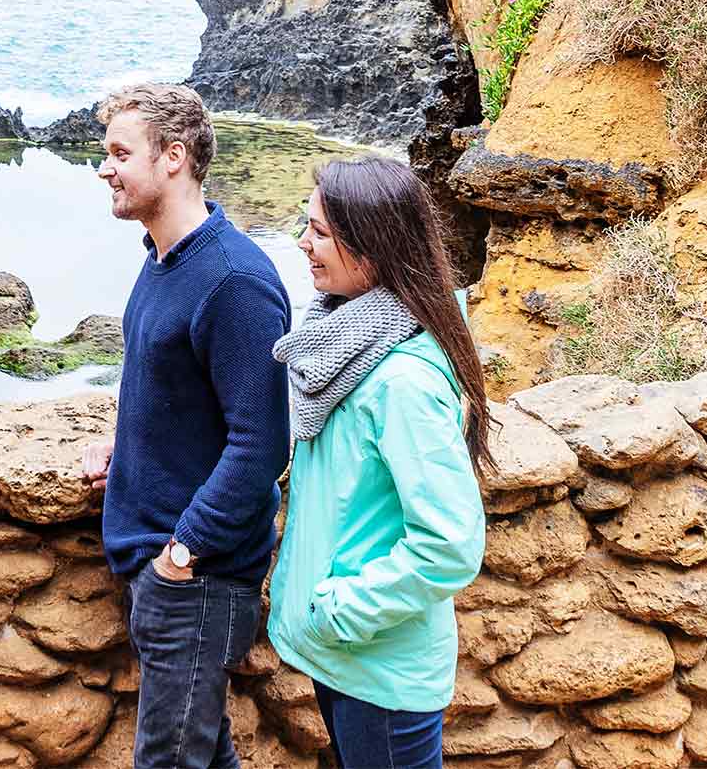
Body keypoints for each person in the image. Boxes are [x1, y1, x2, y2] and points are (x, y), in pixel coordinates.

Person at [78, 83, 292, 769]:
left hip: (196, 580)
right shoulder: (164, 259)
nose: (104, 168)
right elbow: (174, 386)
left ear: (173, 157)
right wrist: (127, 440)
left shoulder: (234, 281)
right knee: (201, 755)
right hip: (164, 568)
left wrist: (183, 554)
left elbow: (262, 445)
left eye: (118, 153)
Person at [264, 156, 494, 769]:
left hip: (376, 663)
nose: (302, 243)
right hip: (353, 656)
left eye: (318, 231)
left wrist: (338, 610)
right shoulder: (346, 339)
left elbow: (450, 543)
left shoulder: (400, 381)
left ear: (370, 249)